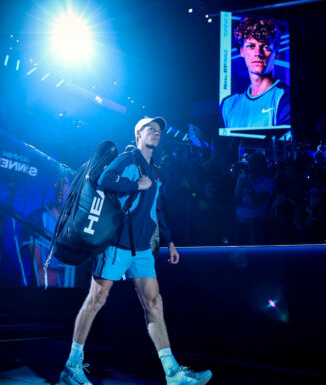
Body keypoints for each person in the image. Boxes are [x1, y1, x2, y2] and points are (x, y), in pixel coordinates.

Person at [59, 117, 212, 385]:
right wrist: (135, 186)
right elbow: (106, 179)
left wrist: (169, 240)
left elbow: (156, 209)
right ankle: (72, 366)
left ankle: (173, 373)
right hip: (117, 244)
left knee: (154, 304)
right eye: (150, 128)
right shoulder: (127, 158)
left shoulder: (155, 169)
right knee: (96, 300)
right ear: (138, 134)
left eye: (159, 130)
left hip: (141, 250)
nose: (156, 132)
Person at [221, 16, 291, 129]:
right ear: (242, 51)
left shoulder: (285, 97)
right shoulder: (228, 104)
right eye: (251, 46)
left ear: (276, 53)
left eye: (265, 47)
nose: (258, 53)